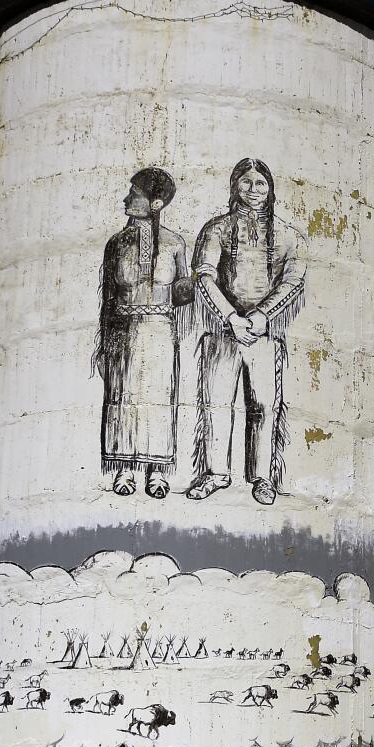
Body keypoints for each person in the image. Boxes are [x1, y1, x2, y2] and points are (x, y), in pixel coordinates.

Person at [187, 159, 306, 506]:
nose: (252, 190)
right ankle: (215, 473)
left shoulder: (287, 235)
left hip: (263, 333)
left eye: (260, 184)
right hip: (223, 331)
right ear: (234, 187)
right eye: (245, 182)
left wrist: (261, 316)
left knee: (265, 406)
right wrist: (231, 317)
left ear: (270, 189)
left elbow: (292, 281)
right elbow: (205, 275)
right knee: (216, 404)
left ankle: (263, 478)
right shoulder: (217, 229)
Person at [95, 167, 194, 499]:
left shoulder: (175, 243)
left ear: (155, 203)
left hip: (160, 330)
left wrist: (189, 289)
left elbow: (184, 293)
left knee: (158, 398)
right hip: (124, 327)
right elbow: (107, 295)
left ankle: (157, 471)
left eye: (134, 195)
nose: (126, 199)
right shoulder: (117, 243)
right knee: (123, 397)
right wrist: (104, 340)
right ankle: (124, 467)